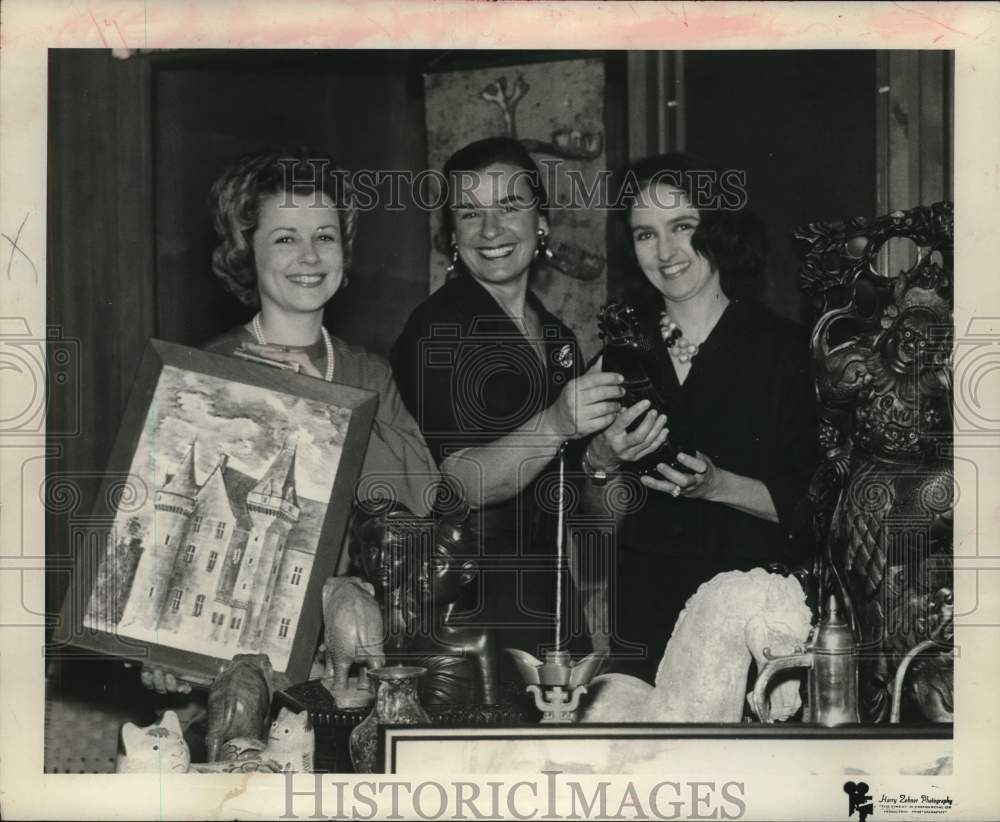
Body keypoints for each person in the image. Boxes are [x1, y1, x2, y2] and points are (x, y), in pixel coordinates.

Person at [139, 147, 440, 700]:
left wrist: (326, 406)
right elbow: (159, 533)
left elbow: (422, 503)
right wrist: (155, 645)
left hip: (358, 671)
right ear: (244, 252)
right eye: (285, 238)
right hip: (238, 676)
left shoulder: (368, 372)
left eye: (325, 235)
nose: (309, 255)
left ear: (345, 252)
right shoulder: (207, 376)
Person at [390, 137, 664, 686]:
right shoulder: (437, 329)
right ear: (452, 236)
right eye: (471, 213)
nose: (491, 231)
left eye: (510, 208)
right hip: (465, 613)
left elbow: (584, 512)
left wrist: (604, 460)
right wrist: (557, 423)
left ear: (542, 221)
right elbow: (461, 481)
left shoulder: (559, 339)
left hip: (551, 606)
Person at [580, 153, 819, 683]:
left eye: (682, 227)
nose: (666, 252)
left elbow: (818, 506)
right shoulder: (619, 356)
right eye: (645, 235)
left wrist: (719, 486)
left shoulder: (786, 351)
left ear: (720, 231)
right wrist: (598, 461)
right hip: (643, 616)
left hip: (754, 618)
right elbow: (593, 530)